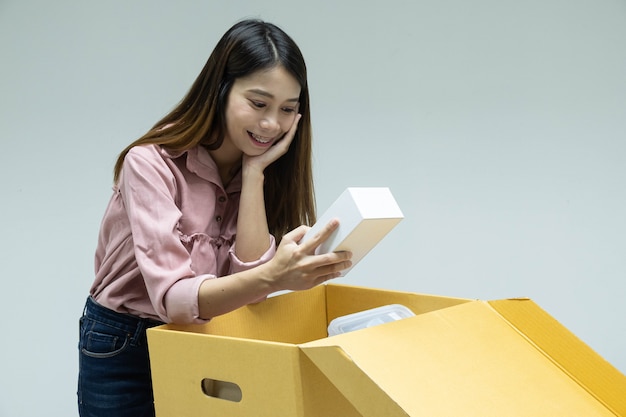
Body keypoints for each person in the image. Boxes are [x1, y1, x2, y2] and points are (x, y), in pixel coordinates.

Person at [77, 19, 352, 417]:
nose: (271, 124)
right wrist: (275, 274)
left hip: (210, 336)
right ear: (220, 90)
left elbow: (252, 291)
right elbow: (174, 299)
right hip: (124, 342)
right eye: (258, 103)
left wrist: (255, 174)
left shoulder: (261, 173)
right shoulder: (151, 163)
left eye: (288, 109)